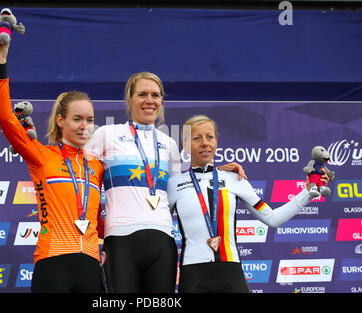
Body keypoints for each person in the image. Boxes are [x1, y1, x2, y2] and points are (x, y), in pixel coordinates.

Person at [85, 73, 246, 292]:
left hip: (162, 240)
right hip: (121, 239)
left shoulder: (168, 143)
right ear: (129, 99)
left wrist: (216, 174)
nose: (149, 100)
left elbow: (181, 188)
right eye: (142, 94)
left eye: (155, 95)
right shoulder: (106, 134)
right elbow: (79, 174)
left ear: (161, 101)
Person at [0, 38, 104, 292]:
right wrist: (0, 63)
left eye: (90, 119)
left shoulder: (97, 165)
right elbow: (6, 118)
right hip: (53, 262)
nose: (85, 126)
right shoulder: (41, 155)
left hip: (92, 265)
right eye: (77, 119)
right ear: (60, 121)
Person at [167, 115, 330, 293]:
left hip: (231, 273)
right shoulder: (174, 184)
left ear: (216, 141)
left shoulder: (234, 178)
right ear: (184, 144)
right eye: (197, 138)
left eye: (210, 137)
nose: (205, 143)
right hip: (193, 275)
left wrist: (307, 193)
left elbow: (272, 219)